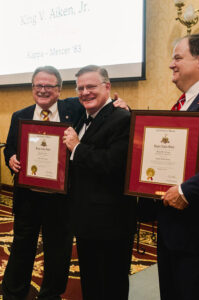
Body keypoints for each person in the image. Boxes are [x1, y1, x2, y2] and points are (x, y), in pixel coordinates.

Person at [2, 66, 85, 300]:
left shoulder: (75, 109)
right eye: (38, 85)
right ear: (32, 88)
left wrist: (119, 104)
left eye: (49, 86)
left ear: (59, 89)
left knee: (58, 250)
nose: (43, 90)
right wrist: (11, 158)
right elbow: (10, 146)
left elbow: (99, 105)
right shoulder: (20, 116)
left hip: (61, 198)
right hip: (28, 197)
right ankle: (14, 292)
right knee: (21, 247)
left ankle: (51, 294)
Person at [63, 65, 137, 300]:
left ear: (107, 87)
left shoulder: (122, 118)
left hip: (111, 222)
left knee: (112, 283)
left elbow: (113, 164)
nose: (85, 92)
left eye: (91, 86)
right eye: (80, 88)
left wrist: (78, 148)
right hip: (87, 219)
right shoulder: (83, 117)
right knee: (92, 281)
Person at [158, 33, 199, 300]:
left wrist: (186, 191)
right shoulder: (185, 103)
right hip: (173, 227)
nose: (171, 64)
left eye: (178, 57)